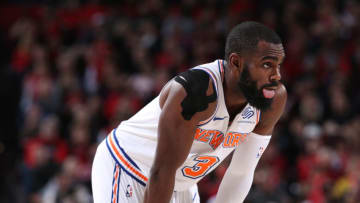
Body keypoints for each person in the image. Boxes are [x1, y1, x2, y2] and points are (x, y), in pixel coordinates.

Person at [91, 21, 287, 203]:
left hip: (179, 183)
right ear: (236, 63)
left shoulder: (273, 99)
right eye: (267, 65)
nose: (276, 75)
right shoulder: (195, 91)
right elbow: (161, 171)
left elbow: (240, 173)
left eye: (278, 65)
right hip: (129, 164)